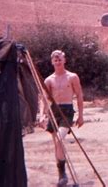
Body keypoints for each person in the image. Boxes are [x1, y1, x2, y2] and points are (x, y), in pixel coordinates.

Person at [41, 49, 84, 186]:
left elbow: (79, 95)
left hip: (67, 110)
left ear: (64, 60)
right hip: (54, 111)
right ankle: (62, 175)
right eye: (55, 59)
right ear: (52, 62)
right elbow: (43, 98)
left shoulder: (72, 77)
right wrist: (42, 114)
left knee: (60, 139)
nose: (58, 61)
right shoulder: (49, 80)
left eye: (60, 59)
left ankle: (64, 174)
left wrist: (81, 116)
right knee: (57, 144)